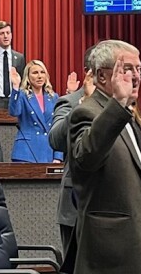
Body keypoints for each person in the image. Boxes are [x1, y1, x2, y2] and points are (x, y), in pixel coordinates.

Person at [68, 40, 141, 274]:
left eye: (139, 69)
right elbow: (87, 158)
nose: (136, 77)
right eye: (127, 69)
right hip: (113, 255)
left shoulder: (126, 113)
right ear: (103, 77)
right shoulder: (88, 112)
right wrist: (117, 104)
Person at [48, 45, 96, 266]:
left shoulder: (124, 104)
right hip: (77, 205)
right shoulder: (69, 101)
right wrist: (83, 105)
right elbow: (56, 139)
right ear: (92, 71)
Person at [8, 60, 61, 163]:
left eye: (42, 72)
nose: (39, 76)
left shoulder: (53, 97)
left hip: (48, 152)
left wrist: (58, 156)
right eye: (35, 73)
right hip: (26, 152)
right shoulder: (22, 95)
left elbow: (58, 129)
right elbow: (14, 112)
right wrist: (15, 87)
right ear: (28, 76)